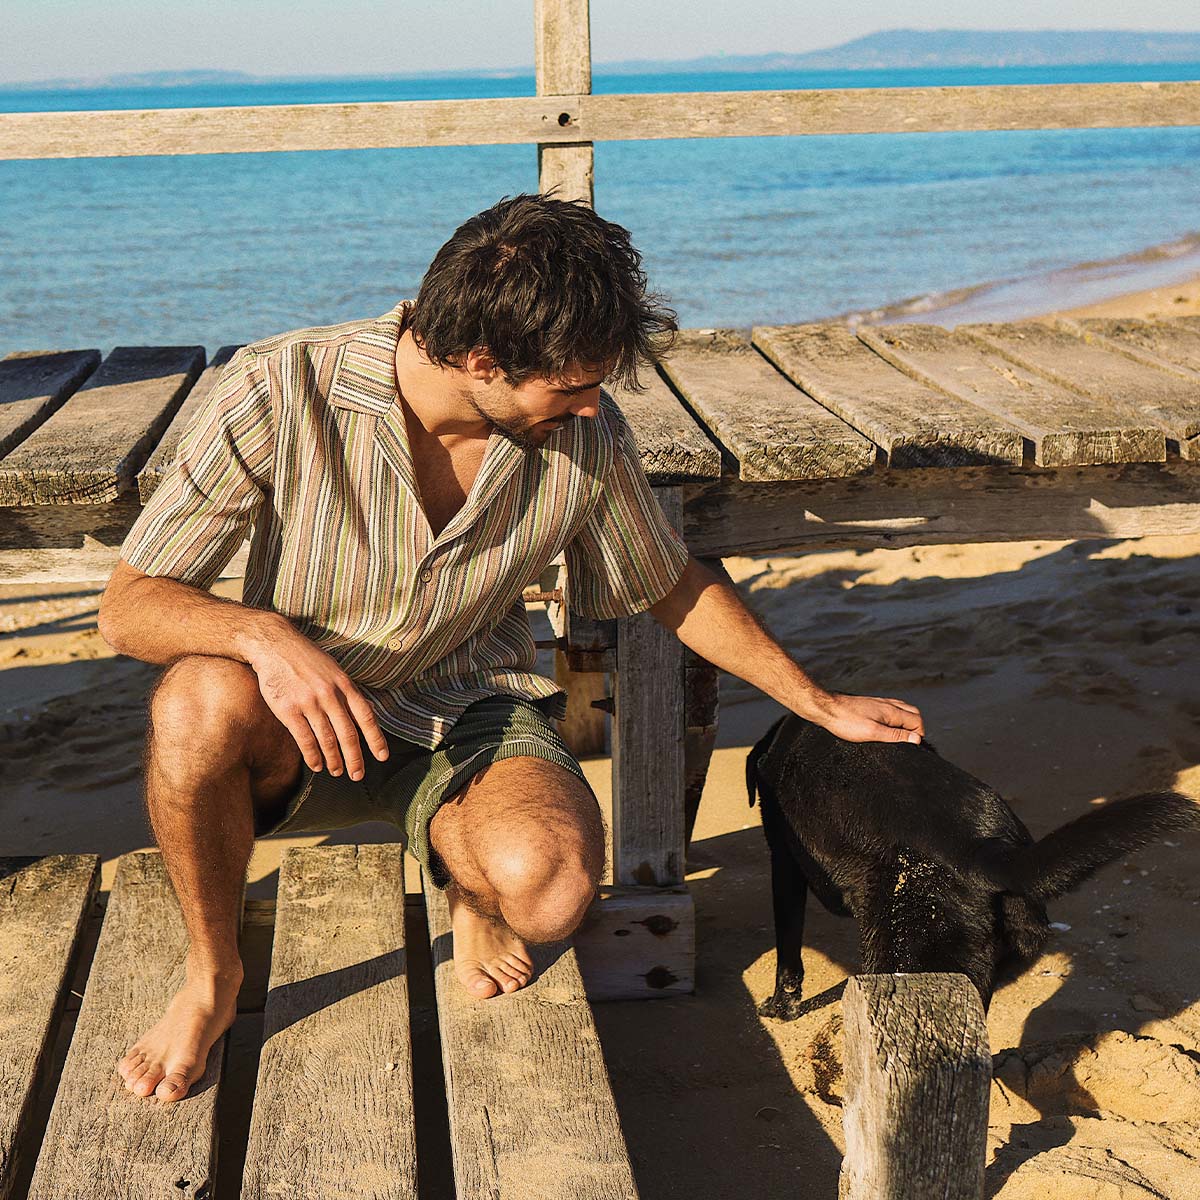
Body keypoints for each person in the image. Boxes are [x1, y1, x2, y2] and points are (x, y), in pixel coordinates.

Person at [98, 192, 924, 1104]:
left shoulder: (582, 435)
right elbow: (130, 608)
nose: (591, 406)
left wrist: (814, 701)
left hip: (465, 710)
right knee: (197, 697)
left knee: (555, 892)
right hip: (296, 723)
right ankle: (213, 979)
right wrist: (261, 636)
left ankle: (470, 888)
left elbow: (668, 582)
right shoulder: (278, 385)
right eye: (571, 385)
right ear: (481, 361)